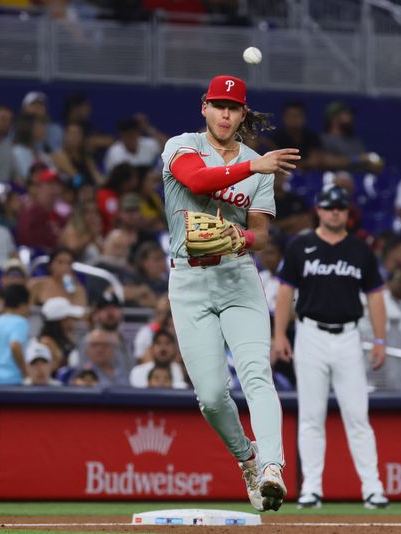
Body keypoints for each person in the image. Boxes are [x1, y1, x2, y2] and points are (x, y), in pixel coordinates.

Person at [162, 75, 300, 512]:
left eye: (233, 107)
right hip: (189, 280)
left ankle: (273, 468)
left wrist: (239, 238)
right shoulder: (180, 145)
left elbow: (261, 234)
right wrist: (251, 167)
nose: (225, 113)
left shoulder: (259, 166)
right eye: (218, 105)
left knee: (257, 372)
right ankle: (249, 457)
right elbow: (197, 181)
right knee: (211, 396)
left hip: (238, 277)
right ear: (204, 106)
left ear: (243, 113)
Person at [272, 185, 389, 511]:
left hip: (349, 336)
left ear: (346, 213)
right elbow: (285, 292)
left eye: (340, 207)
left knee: (357, 415)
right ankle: (311, 488)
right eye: (329, 207)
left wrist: (380, 339)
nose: (335, 212)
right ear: (319, 210)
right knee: (311, 415)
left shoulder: (360, 250)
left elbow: (376, 296)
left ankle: (373, 488)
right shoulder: (301, 246)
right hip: (310, 334)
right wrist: (279, 334)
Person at [38, 296, 83, 369]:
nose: (72, 322)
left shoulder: (66, 338)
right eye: (69, 318)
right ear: (61, 321)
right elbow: (55, 367)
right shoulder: (46, 342)